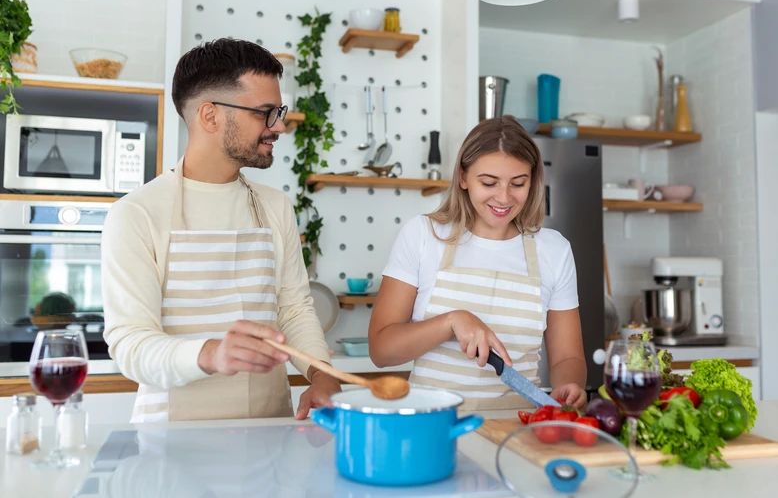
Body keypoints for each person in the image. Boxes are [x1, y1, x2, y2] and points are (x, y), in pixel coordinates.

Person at [101, 38, 340, 422]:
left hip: (269, 431)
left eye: (278, 111)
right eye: (265, 112)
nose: (279, 126)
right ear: (210, 116)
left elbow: (294, 310)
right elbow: (132, 345)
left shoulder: (274, 207)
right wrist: (212, 353)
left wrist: (323, 375)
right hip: (172, 445)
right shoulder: (137, 214)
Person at [368, 115, 587, 410]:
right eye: (489, 182)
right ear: (463, 177)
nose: (504, 197)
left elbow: (566, 358)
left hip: (518, 428)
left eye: (518, 183)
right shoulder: (423, 235)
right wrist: (451, 321)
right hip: (433, 425)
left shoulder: (554, 250)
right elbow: (381, 350)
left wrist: (569, 386)